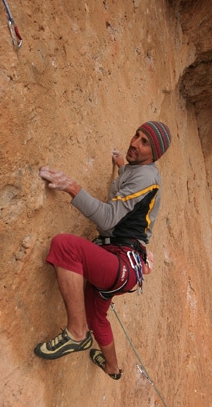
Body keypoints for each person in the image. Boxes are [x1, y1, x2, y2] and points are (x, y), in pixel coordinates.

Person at [34, 121, 172, 380]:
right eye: (137, 135)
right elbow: (131, 190)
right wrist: (122, 166)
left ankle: (77, 333)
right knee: (97, 319)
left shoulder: (145, 177)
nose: (134, 143)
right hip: (125, 266)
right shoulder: (142, 171)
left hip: (121, 262)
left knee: (65, 247)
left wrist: (72, 187)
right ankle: (113, 368)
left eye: (145, 143)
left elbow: (108, 219)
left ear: (155, 155)